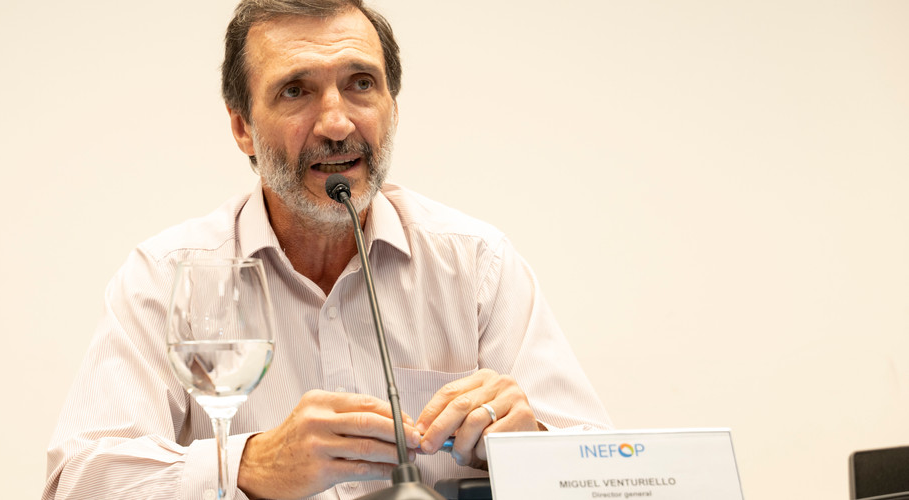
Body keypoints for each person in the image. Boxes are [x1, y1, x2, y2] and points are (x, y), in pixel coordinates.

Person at [44, 1, 612, 498]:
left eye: (361, 84)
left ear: (392, 107)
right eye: (296, 90)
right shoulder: (169, 277)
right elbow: (77, 481)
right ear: (242, 127)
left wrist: (530, 444)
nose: (337, 124)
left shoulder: (476, 264)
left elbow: (608, 473)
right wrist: (250, 465)